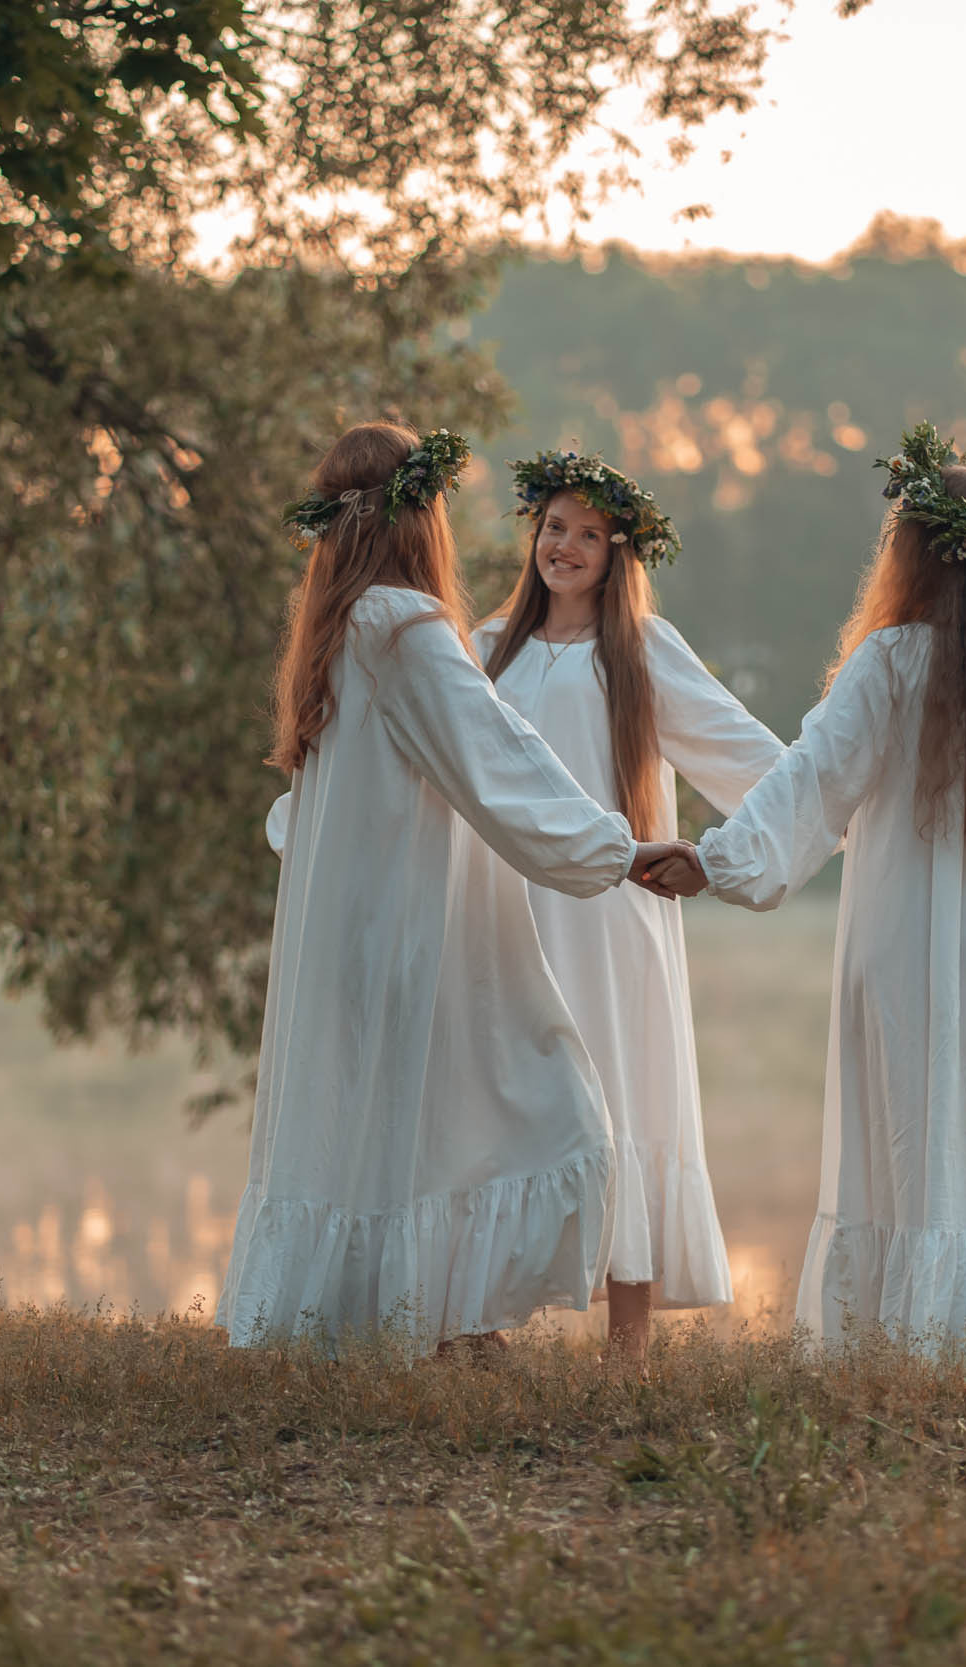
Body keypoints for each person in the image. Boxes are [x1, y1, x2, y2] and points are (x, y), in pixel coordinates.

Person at [646, 423, 966, 1368]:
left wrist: (718, 861)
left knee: (911, 1134)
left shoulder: (886, 662)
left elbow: (813, 780)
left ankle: (915, 1337)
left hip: (901, 945)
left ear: (913, 557)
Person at [221, 421, 691, 1355]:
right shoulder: (405, 625)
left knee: (407, 1117)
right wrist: (617, 849)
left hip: (355, 920)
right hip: (411, 923)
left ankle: (435, 1319)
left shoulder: (338, 626)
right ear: (419, 515)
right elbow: (497, 757)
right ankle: (435, 1320)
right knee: (542, 1098)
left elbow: (319, 801)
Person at [469, 449, 783, 1359]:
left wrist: (715, 857)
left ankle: (629, 1343)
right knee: (505, 1089)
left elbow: (762, 765)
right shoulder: (489, 650)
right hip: (509, 910)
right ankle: (477, 1317)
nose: (563, 547)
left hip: (614, 911)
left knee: (624, 1093)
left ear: (618, 553)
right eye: (553, 528)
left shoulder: (640, 650)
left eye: (588, 535)